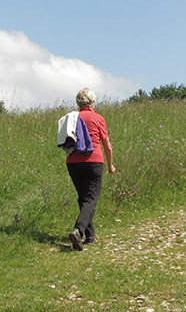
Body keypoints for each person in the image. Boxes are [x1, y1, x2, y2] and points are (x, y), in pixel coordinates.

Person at [66, 88, 115, 251]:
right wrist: (110, 165)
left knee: (83, 198)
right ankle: (78, 230)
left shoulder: (71, 118)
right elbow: (107, 146)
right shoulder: (98, 118)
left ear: (78, 102)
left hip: (73, 162)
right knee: (91, 199)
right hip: (94, 161)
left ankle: (90, 235)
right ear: (92, 102)